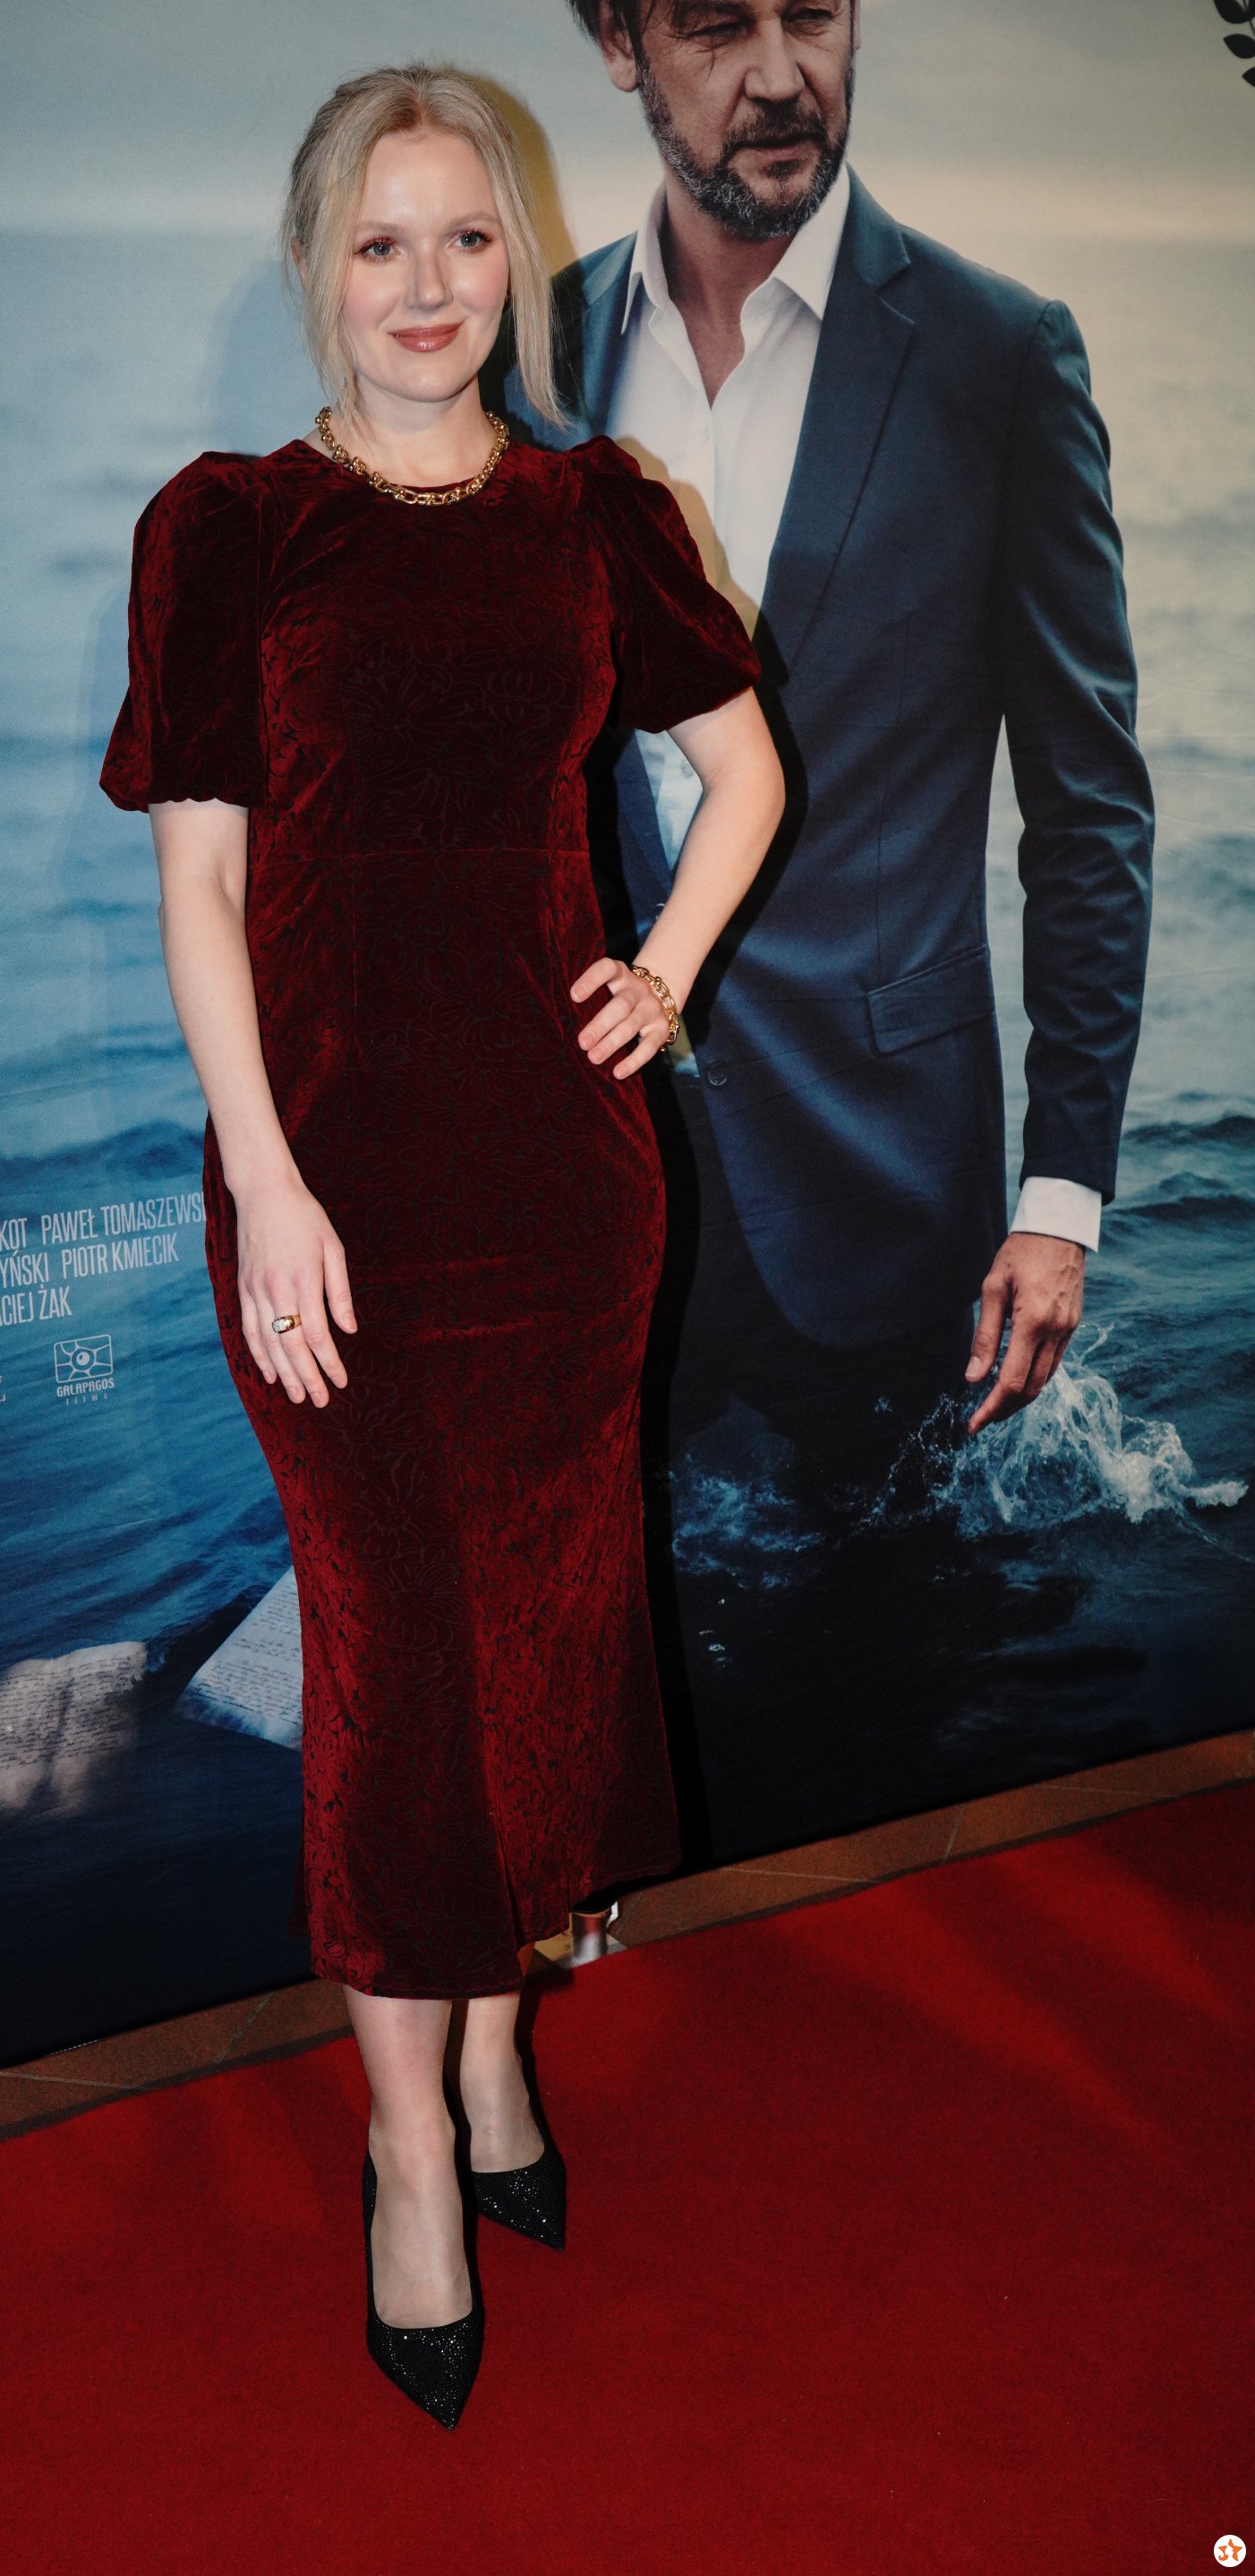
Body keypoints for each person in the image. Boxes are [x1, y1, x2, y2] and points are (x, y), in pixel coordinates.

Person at [102, 64, 781, 2427]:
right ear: (320, 264)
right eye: (381, 241)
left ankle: (496, 2051)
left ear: (517, 255)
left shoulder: (600, 514)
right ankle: (411, 2144)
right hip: (328, 1189)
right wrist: (271, 1176)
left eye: (467, 236)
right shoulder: (230, 525)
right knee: (397, 1681)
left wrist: (665, 969)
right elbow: (201, 883)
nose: (428, 284)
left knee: (551, 1653)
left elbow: (746, 770)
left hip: (563, 1192)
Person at [497, 0, 1153, 1490]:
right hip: (601, 1182)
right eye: (720, 26)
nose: (782, 74)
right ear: (618, 42)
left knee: (910, 1621)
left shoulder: (1001, 357)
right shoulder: (533, 361)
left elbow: (1089, 806)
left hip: (888, 1184)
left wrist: (1062, 1194)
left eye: (815, 13)